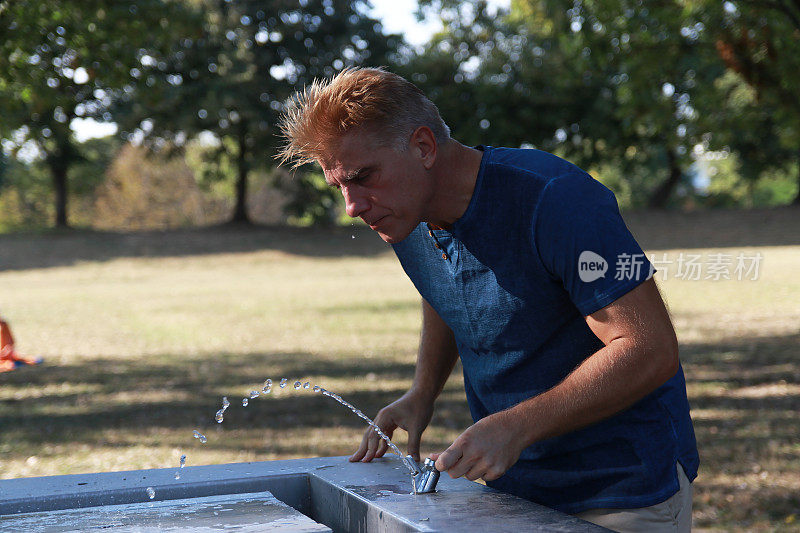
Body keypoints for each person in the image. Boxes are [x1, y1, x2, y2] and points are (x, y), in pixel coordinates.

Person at [278, 67, 698, 532]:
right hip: (513, 492)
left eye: (363, 177)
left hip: (625, 490)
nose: (352, 206)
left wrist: (514, 426)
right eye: (339, 186)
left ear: (423, 147)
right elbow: (444, 287)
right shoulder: (406, 212)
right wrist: (423, 392)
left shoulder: (556, 200)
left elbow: (650, 348)